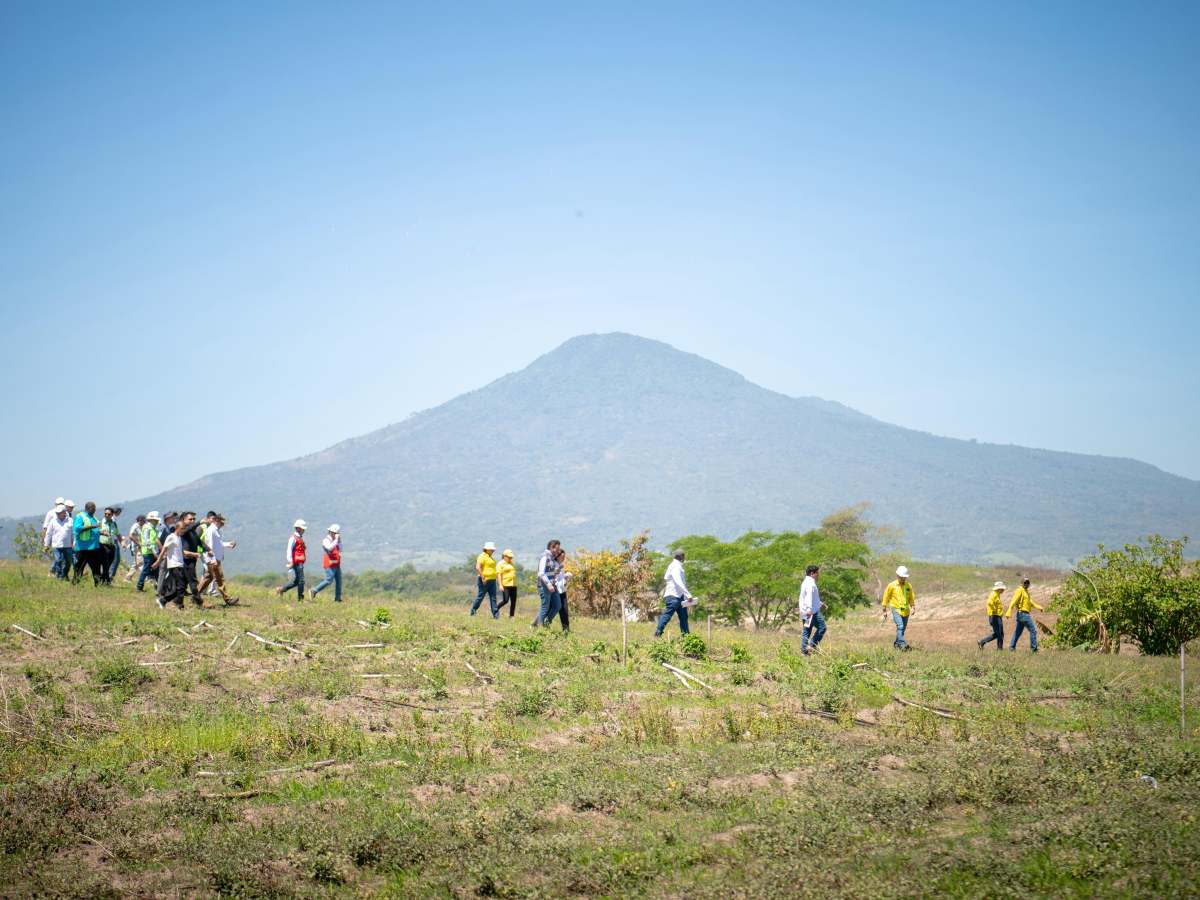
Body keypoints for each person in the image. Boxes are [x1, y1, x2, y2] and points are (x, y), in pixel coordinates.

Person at [152, 517, 198, 609]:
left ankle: (169, 602)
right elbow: (163, 550)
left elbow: (182, 551)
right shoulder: (171, 537)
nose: (183, 530)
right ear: (177, 528)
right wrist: (158, 561)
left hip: (180, 565)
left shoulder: (179, 538)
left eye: (184, 529)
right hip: (174, 565)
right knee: (180, 587)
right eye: (181, 529)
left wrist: (193, 554)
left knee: (180, 587)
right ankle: (167, 601)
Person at [196, 513, 239, 605]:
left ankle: (195, 595)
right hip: (213, 559)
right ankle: (228, 599)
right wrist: (213, 560)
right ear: (216, 520)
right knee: (220, 579)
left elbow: (218, 544)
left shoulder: (216, 530)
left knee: (209, 577)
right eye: (221, 521)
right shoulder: (211, 530)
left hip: (215, 558)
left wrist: (228, 544)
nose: (223, 524)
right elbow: (210, 546)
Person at [655, 550, 695, 637]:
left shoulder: (674, 566)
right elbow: (678, 581)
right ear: (681, 557)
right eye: (683, 557)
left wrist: (685, 596)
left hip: (680, 597)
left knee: (684, 618)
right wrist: (688, 595)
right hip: (673, 596)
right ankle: (657, 634)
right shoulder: (675, 566)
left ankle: (686, 638)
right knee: (668, 615)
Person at [881, 565, 916, 651]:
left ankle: (897, 644)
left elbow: (911, 597)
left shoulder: (908, 586)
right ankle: (903, 644)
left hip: (906, 611)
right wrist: (884, 610)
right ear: (897, 576)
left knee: (902, 629)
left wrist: (913, 607)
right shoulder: (891, 585)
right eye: (901, 577)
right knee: (900, 626)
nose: (903, 579)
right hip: (895, 609)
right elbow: (886, 597)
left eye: (904, 577)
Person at [72, 501, 105, 586]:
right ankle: (75, 583)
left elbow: (95, 530)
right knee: (79, 566)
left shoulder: (94, 517)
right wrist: (92, 526)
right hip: (83, 547)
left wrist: (101, 532)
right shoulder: (80, 516)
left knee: (96, 566)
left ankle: (98, 584)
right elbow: (77, 528)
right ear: (87, 508)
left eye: (95, 509)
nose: (94, 510)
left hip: (94, 546)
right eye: (93, 509)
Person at [1006, 578, 1043, 652]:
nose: (1026, 584)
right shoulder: (1020, 590)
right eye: (1025, 582)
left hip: (1023, 615)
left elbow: (1030, 602)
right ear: (1022, 583)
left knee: (1017, 632)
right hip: (1023, 614)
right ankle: (1034, 649)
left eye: (1028, 582)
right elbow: (1014, 600)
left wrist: (1038, 607)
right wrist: (1009, 610)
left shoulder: (1026, 592)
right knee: (1033, 630)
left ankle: (1011, 648)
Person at [177, 511, 205, 605]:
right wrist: (199, 522)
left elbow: (199, 541)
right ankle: (199, 603)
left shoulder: (192, 531)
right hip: (185, 559)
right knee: (192, 582)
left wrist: (208, 550)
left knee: (183, 583)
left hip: (192, 559)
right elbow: (186, 530)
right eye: (190, 519)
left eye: (194, 519)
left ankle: (178, 603)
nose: (192, 520)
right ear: (183, 520)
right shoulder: (182, 530)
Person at [533, 539, 562, 627]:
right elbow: (541, 573)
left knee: (557, 605)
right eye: (557, 548)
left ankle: (546, 623)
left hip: (552, 586)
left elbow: (549, 572)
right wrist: (548, 584)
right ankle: (539, 627)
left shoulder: (552, 558)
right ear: (551, 547)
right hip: (545, 586)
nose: (558, 551)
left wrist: (556, 571)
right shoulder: (544, 557)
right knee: (545, 607)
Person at [310, 524, 343, 602]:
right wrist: (336, 541)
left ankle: (337, 599)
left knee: (339, 581)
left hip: (336, 564)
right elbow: (329, 547)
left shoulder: (335, 541)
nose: (335, 534)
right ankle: (314, 590)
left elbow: (341, 549)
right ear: (330, 532)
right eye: (334, 533)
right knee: (329, 580)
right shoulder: (326, 540)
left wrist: (339, 541)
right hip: (329, 564)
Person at [277, 520, 307, 599]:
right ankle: (300, 598)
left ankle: (281, 589)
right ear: (298, 528)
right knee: (301, 580)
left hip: (299, 561)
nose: (304, 530)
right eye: (303, 528)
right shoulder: (293, 538)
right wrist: (290, 561)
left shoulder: (299, 538)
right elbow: (289, 550)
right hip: (296, 562)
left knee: (297, 581)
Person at [799, 564, 825, 655]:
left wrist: (819, 603)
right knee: (822, 627)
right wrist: (810, 609)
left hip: (805, 611)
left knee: (807, 630)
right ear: (812, 573)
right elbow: (809, 597)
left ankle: (804, 652)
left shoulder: (805, 582)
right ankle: (812, 645)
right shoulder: (810, 583)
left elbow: (810, 597)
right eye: (817, 573)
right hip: (811, 612)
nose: (818, 575)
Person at [469, 542, 500, 618]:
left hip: (492, 580)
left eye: (493, 550)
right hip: (484, 580)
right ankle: (473, 611)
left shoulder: (490, 557)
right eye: (491, 549)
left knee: (493, 598)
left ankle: (496, 616)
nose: (493, 551)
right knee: (480, 597)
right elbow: (478, 567)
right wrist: (483, 577)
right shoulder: (482, 556)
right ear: (486, 549)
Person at [43, 504, 73, 579]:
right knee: (58, 560)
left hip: (68, 545)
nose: (58, 514)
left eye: (59, 512)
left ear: (64, 512)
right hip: (57, 545)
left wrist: (74, 543)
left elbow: (73, 533)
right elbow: (48, 533)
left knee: (68, 562)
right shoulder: (53, 521)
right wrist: (46, 545)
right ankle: (59, 575)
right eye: (57, 513)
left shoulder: (70, 520)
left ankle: (64, 574)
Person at [977, 581, 1007, 650]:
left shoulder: (997, 594)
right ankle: (999, 650)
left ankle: (982, 642)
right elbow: (989, 602)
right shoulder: (993, 594)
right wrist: (994, 610)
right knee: (999, 634)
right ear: (998, 588)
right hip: (994, 616)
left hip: (997, 616)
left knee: (1000, 634)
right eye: (1002, 588)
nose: (1003, 590)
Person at [136, 512, 161, 591]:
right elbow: (147, 541)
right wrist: (154, 552)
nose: (157, 522)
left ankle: (158, 586)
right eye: (155, 520)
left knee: (156, 569)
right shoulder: (147, 528)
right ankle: (139, 586)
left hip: (152, 551)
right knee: (146, 569)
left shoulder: (152, 528)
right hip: (148, 552)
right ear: (151, 520)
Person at [98, 507, 122, 584]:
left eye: (109, 514)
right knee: (105, 563)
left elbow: (117, 534)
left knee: (109, 563)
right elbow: (96, 532)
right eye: (105, 514)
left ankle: (103, 578)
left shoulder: (113, 523)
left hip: (111, 546)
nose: (107, 515)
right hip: (103, 545)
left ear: (112, 515)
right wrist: (102, 533)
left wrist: (122, 542)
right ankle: (106, 580)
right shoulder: (100, 523)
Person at [42, 496, 65, 575]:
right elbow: (45, 527)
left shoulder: (65, 513)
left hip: (62, 538)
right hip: (53, 537)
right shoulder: (51, 513)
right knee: (58, 557)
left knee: (61, 557)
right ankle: (53, 571)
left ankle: (56, 572)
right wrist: (45, 540)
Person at [554, 546, 572, 633]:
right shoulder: (554, 565)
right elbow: (554, 577)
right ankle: (539, 624)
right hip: (556, 591)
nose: (564, 558)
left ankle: (566, 629)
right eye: (562, 556)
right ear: (558, 556)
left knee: (564, 610)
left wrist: (566, 576)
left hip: (562, 590)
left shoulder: (561, 566)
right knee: (553, 610)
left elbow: (560, 578)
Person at [495, 549, 518, 617]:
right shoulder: (500, 564)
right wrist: (500, 585)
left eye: (511, 557)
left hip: (513, 585)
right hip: (505, 585)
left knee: (513, 602)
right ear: (504, 556)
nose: (510, 558)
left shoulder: (511, 563)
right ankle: (495, 608)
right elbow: (498, 574)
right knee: (506, 600)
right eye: (509, 557)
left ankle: (511, 616)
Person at [125, 515, 147, 582]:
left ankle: (128, 577)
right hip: (136, 547)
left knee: (137, 563)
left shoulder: (142, 526)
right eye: (143, 521)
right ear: (140, 520)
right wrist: (138, 543)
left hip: (140, 547)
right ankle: (145, 577)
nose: (144, 522)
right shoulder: (135, 526)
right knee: (140, 562)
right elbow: (130, 536)